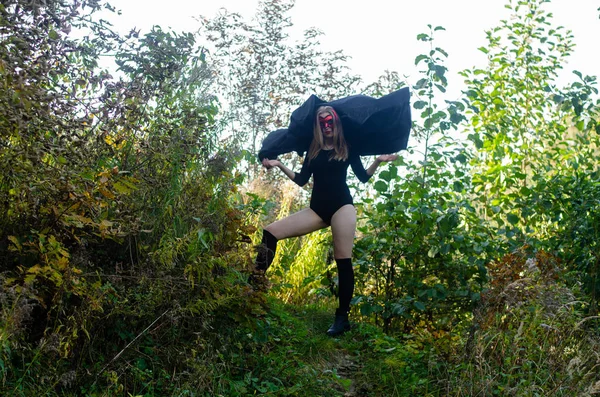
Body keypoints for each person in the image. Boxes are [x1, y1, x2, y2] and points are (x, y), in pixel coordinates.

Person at [254, 105, 398, 336]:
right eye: (321, 121)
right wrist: (279, 164)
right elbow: (301, 181)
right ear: (318, 125)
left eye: (328, 118)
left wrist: (378, 161)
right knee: (270, 232)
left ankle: (342, 319)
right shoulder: (313, 150)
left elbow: (362, 178)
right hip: (317, 209)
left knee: (343, 261)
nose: (325, 124)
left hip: (342, 206)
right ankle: (253, 287)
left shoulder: (347, 147)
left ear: (336, 121)